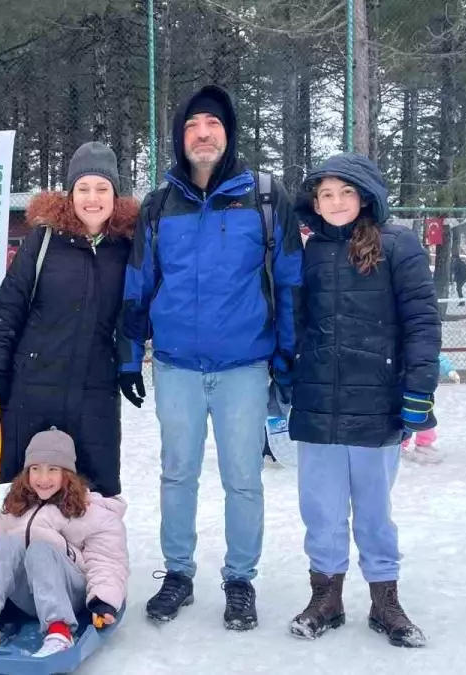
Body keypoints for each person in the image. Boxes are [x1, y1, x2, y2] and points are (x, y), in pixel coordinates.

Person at [120, 84, 304, 630]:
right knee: (177, 475)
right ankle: (178, 573)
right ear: (180, 139)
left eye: (214, 125)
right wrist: (130, 357)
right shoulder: (158, 206)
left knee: (243, 478)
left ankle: (240, 579)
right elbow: (137, 288)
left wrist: (289, 353)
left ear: (228, 134)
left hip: (244, 369)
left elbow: (290, 281)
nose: (204, 134)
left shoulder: (266, 198)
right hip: (175, 367)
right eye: (193, 125)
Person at [286, 153, 439, 649]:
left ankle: (385, 599)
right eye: (326, 194)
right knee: (320, 507)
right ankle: (325, 597)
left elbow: (421, 322)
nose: (335, 202)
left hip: (377, 405)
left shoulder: (399, 245)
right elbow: (295, 322)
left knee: (374, 508)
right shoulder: (306, 252)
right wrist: (284, 378)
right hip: (317, 403)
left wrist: (419, 389)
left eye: (345, 193)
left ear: (366, 195)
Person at [0, 141, 137, 498]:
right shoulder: (44, 239)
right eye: (82, 188)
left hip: (94, 389)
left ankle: (81, 553)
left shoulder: (127, 247)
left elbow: (134, 313)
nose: (92, 198)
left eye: (102, 188)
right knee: (32, 484)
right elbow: (9, 308)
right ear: (70, 194)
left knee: (89, 486)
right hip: (33, 384)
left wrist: (127, 365)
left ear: (116, 194)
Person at [0, 429, 129, 658]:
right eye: (35, 469)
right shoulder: (16, 506)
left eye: (53, 470)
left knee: (40, 549)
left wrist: (103, 601)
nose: (43, 479)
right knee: (7, 543)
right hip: (27, 596)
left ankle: (59, 632)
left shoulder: (92, 512)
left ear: (68, 474)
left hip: (69, 595)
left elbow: (107, 560)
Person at [400, 353, 460, 465]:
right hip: (403, 386)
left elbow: (437, 356)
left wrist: (449, 370)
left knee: (425, 415)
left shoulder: (425, 343)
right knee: (405, 416)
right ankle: (401, 444)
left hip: (423, 387)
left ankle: (424, 444)